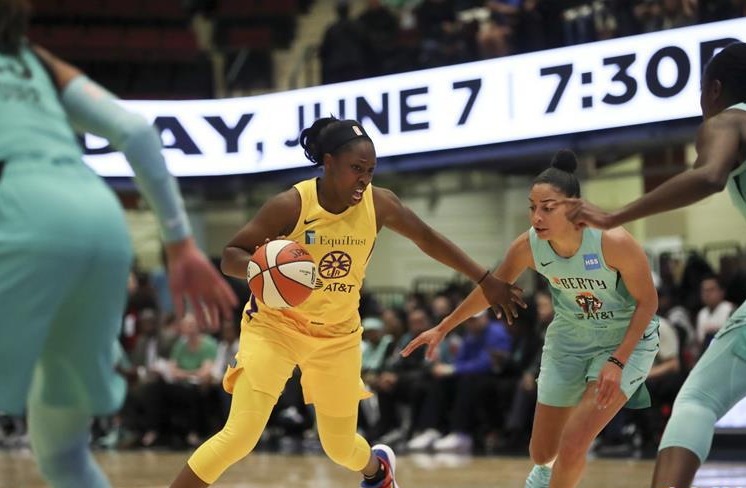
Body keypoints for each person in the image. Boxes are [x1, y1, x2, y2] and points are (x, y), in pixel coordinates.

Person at [168, 116, 525, 488]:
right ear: (329, 163)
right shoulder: (291, 204)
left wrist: (486, 279)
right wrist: (261, 268)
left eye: (370, 170)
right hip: (275, 327)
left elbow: (427, 238)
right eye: (356, 168)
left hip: (337, 336)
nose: (364, 179)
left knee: (339, 446)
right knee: (239, 435)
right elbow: (230, 255)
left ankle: (378, 471)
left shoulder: (379, 204)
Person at [0, 1, 238, 487]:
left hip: (21, 210)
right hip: (100, 220)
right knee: (64, 456)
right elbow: (136, 130)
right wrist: (180, 243)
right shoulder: (34, 59)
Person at [403, 149, 660, 488]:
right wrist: (443, 326)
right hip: (570, 339)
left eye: (548, 208)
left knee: (573, 444)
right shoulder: (528, 246)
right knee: (542, 453)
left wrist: (617, 361)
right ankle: (541, 478)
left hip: (625, 341)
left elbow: (648, 303)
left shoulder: (612, 240)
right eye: (532, 207)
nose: (537, 216)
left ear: (574, 208)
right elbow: (490, 290)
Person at [563, 41, 746, 488]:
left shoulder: (729, 119)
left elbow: (709, 175)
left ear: (715, 90)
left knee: (697, 401)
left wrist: (614, 216)